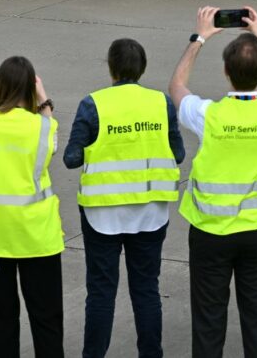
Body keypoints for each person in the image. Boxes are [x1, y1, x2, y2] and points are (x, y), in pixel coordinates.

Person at [169, 6, 257, 358]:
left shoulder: (208, 114)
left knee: (208, 324)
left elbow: (176, 85)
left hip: (210, 234)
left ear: (226, 72)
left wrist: (200, 37)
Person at [63, 38, 184, 358]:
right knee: (147, 291)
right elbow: (179, 153)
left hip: (103, 214)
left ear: (111, 67)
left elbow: (71, 158)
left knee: (101, 293)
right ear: (142, 69)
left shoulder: (93, 104)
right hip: (150, 212)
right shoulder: (162, 103)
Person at [0, 56, 64, 357]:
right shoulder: (43, 128)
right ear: (31, 89)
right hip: (37, 238)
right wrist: (44, 102)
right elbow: (52, 144)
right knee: (47, 321)